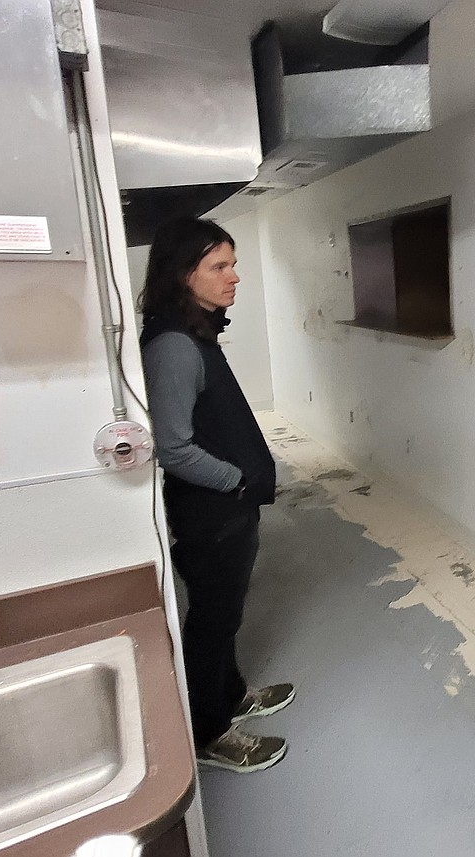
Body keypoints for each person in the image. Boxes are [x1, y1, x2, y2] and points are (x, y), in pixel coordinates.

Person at [139, 217, 294, 773]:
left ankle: (230, 696)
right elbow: (173, 447)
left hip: (229, 511)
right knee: (211, 618)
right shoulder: (174, 347)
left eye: (233, 264)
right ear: (184, 275)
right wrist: (238, 480)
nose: (234, 277)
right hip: (211, 513)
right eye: (219, 267)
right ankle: (208, 732)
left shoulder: (195, 331)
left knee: (224, 613)